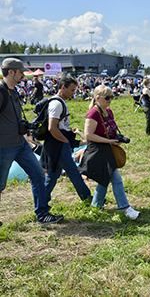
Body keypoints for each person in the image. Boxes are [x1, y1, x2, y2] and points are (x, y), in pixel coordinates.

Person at [0, 58, 63, 226]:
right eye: (21, 72)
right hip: (3, 147)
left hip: (20, 145)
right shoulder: (1, 92)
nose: (24, 75)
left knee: (37, 174)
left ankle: (42, 215)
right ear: (11, 72)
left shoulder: (13, 91)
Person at [78, 85, 140, 220]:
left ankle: (95, 208)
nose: (110, 100)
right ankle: (125, 209)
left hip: (107, 149)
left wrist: (116, 138)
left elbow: (110, 130)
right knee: (116, 179)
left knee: (104, 180)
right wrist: (109, 141)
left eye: (112, 97)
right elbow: (88, 135)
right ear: (97, 98)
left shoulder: (108, 111)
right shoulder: (93, 113)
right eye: (107, 97)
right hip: (98, 151)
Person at [40, 77, 92, 210]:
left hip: (57, 144)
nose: (73, 93)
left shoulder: (59, 102)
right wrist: (65, 141)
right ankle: (88, 199)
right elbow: (52, 127)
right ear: (63, 88)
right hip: (58, 144)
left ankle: (42, 202)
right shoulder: (57, 104)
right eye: (72, 90)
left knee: (53, 174)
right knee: (73, 172)